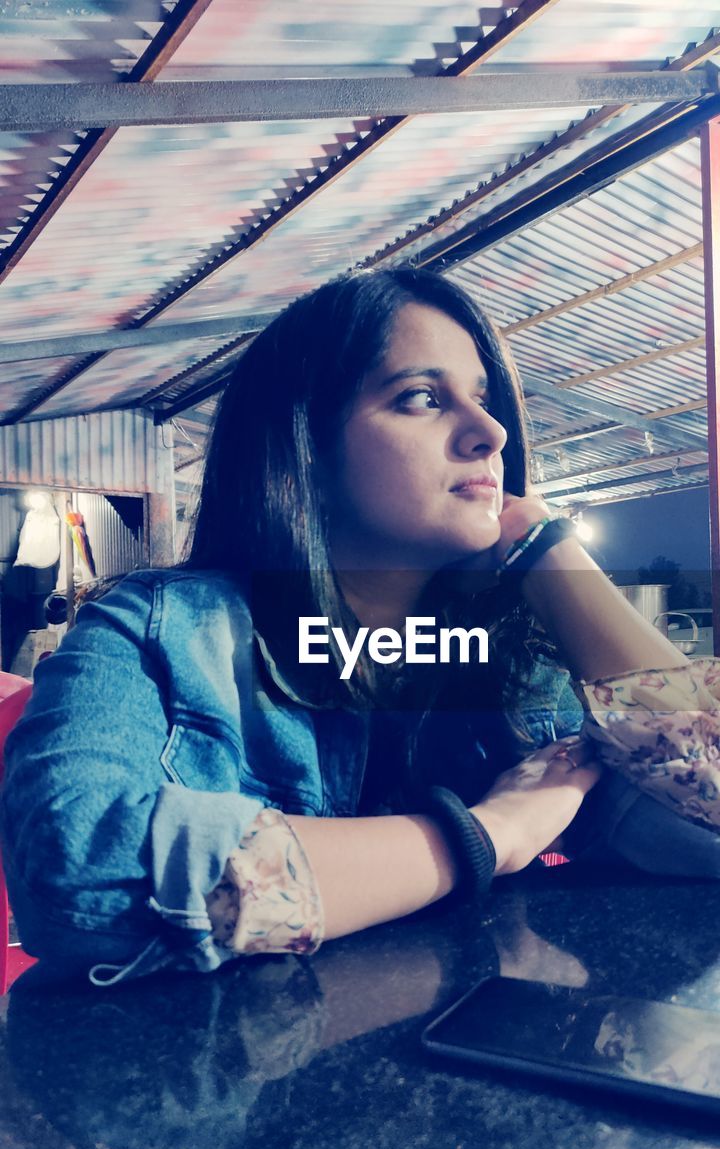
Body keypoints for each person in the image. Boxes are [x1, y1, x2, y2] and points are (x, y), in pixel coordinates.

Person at [2, 267, 719, 986]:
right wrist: (490, 833)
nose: (491, 431)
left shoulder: (512, 670)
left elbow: (707, 822)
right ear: (306, 448)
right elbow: (74, 875)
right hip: (233, 1084)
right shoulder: (157, 632)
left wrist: (546, 550)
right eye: (421, 398)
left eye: (484, 398)